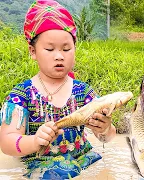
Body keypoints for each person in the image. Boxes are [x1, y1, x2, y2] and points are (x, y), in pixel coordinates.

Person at [0, 0, 116, 179]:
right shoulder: (22, 95)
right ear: (32, 51)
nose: (59, 56)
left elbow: (108, 138)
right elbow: (7, 142)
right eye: (49, 49)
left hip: (83, 159)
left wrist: (105, 129)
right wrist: (34, 141)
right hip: (39, 164)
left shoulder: (83, 92)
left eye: (66, 48)